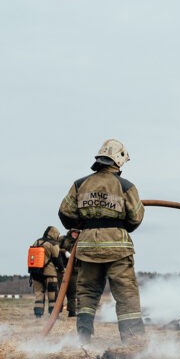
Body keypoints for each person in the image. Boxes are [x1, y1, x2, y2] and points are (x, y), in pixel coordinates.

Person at [57, 139, 146, 343]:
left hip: (87, 247)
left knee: (86, 294)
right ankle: (134, 344)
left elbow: (65, 213)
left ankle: (83, 340)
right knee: (126, 295)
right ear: (118, 160)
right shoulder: (126, 186)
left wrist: (86, 224)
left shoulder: (80, 184)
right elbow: (135, 218)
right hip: (118, 248)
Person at [27, 226, 68, 318]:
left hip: (35, 273)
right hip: (49, 274)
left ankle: (38, 314)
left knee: (39, 294)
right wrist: (62, 270)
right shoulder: (52, 244)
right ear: (54, 234)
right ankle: (53, 315)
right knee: (52, 295)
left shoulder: (36, 242)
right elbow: (57, 259)